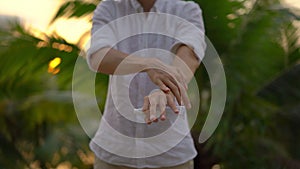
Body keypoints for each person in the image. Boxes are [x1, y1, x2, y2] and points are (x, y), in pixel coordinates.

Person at [87, 0, 206, 168]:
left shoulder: (187, 10)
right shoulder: (110, 7)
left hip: (171, 156)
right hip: (114, 155)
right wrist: (148, 64)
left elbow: (190, 57)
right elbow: (98, 57)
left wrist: (165, 91)